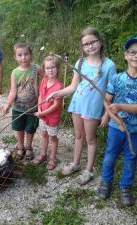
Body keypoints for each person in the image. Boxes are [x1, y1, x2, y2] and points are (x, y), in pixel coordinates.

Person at [47, 27, 116, 184]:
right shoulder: (80, 62)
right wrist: (56, 93)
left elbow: (111, 92)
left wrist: (106, 113)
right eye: (86, 44)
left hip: (93, 108)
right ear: (82, 47)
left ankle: (89, 170)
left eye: (93, 42)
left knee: (90, 139)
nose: (90, 46)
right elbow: (73, 86)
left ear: (100, 42)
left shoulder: (109, 65)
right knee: (78, 135)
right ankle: (76, 163)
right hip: (77, 104)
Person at [97, 37, 137, 206]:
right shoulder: (116, 79)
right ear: (126, 55)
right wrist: (113, 116)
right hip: (116, 128)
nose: (136, 56)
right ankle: (106, 182)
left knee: (131, 158)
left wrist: (121, 106)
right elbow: (107, 101)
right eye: (132, 52)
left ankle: (126, 187)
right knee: (110, 155)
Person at [2, 42, 41, 160]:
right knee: (19, 128)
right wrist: (8, 104)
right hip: (18, 108)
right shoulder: (15, 72)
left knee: (30, 128)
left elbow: (45, 81)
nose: (23, 57)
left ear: (31, 55)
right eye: (20, 55)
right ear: (15, 57)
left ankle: (28, 147)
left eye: (26, 54)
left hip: (33, 107)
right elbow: (13, 91)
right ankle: (20, 146)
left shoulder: (36, 68)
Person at [33, 55, 63, 170]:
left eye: (53, 67)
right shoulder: (44, 81)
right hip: (43, 116)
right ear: (44, 69)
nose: (50, 70)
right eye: (48, 68)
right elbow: (41, 96)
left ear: (57, 69)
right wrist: (40, 109)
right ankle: (43, 154)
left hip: (52, 118)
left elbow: (56, 105)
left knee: (52, 137)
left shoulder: (59, 86)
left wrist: (43, 113)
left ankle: (53, 158)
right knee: (44, 135)